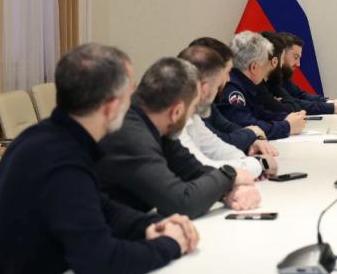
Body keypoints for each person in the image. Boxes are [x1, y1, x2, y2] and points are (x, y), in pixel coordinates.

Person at [0, 44, 195, 274]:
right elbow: (100, 263)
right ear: (112, 107)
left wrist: (151, 225)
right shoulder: (62, 160)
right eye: (130, 95)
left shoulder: (45, 137)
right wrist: (171, 245)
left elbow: (99, 205)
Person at [97, 57, 261, 219]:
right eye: (193, 108)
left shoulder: (157, 126)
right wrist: (229, 175)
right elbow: (182, 202)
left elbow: (193, 170)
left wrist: (228, 189)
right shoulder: (132, 136)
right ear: (177, 112)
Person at [177, 45, 278, 178]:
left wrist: (245, 163)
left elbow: (216, 147)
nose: (228, 79)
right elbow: (201, 168)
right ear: (204, 88)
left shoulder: (192, 115)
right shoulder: (174, 117)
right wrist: (258, 165)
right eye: (227, 73)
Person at [188, 37, 271, 153]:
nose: (228, 79)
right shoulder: (187, 108)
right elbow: (221, 142)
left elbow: (227, 126)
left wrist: (255, 137)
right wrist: (252, 133)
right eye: (227, 72)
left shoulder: (205, 103)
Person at [218, 31, 307, 140]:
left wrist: (287, 118)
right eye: (266, 62)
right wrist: (287, 126)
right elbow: (247, 125)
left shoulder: (246, 84)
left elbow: (259, 113)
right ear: (254, 67)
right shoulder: (232, 89)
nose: (268, 68)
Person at [262, 32, 337, 115]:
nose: (298, 64)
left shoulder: (282, 77)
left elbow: (299, 96)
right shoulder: (267, 81)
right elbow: (294, 105)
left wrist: (329, 102)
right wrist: (333, 107)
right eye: (295, 57)